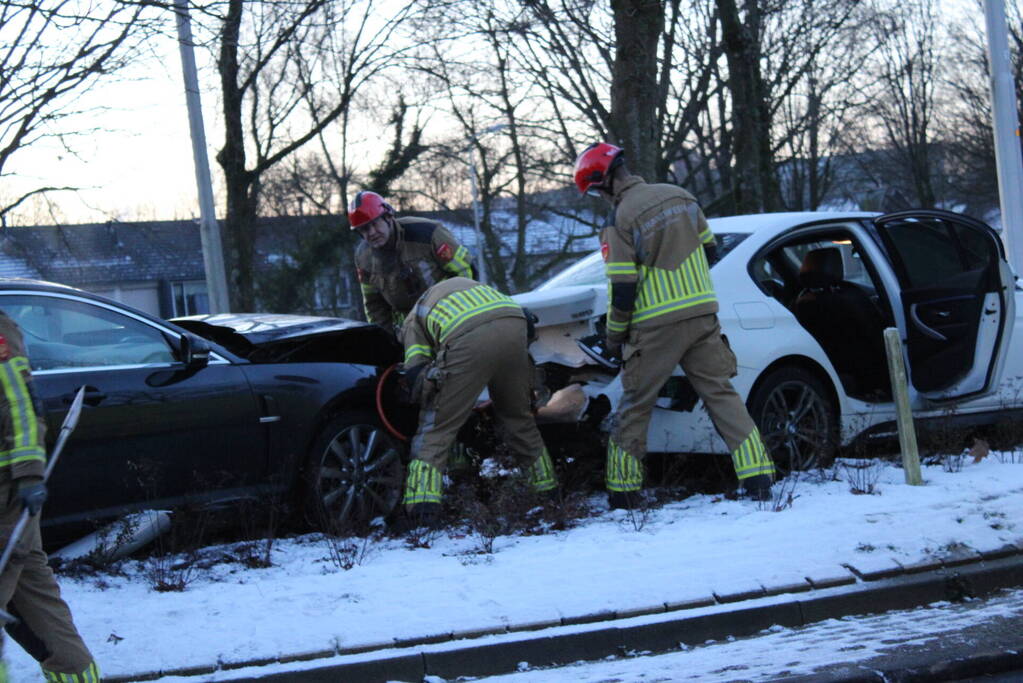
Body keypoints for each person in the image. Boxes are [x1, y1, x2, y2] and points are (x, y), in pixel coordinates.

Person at [573, 142, 775, 508]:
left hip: (654, 325)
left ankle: (623, 492)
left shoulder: (618, 219)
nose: (599, 198)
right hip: (702, 315)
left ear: (603, 183)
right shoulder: (681, 196)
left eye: (596, 192)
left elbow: (622, 286)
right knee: (722, 395)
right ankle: (758, 476)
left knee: (635, 405)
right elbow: (710, 250)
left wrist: (614, 336)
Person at [397, 277, 557, 527]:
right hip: (515, 325)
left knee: (435, 430)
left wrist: (428, 392)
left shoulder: (411, 321)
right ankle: (548, 492)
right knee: (519, 420)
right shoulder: (461, 287)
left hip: (467, 338)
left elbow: (417, 372)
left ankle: (421, 509)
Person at [0, 311, 100, 681]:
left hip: (5, 497)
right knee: (34, 598)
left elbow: (20, 405)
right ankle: (76, 674)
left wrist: (28, 475)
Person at [348, 191, 475, 335]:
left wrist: (461, 314)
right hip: (409, 329)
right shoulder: (363, 257)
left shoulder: (427, 233)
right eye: (364, 229)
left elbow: (465, 272)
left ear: (388, 217)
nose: (371, 233)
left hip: (449, 316)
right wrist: (386, 340)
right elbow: (374, 305)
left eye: (374, 224)